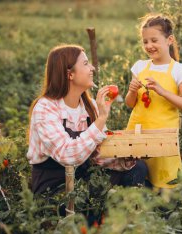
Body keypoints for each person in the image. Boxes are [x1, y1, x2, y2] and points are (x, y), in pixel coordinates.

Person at [27, 44, 147, 195]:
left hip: (84, 178)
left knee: (138, 168)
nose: (92, 68)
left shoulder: (89, 106)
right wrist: (101, 119)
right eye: (85, 64)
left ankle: (118, 215)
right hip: (55, 187)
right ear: (69, 74)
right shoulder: (46, 108)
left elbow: (97, 155)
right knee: (84, 200)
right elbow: (67, 156)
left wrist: (126, 156)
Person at [125, 14, 182, 189]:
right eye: (145, 41)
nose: (149, 46)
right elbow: (130, 104)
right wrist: (132, 91)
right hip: (138, 133)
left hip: (164, 138)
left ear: (169, 40)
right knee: (136, 184)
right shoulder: (140, 66)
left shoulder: (179, 70)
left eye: (154, 40)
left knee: (164, 190)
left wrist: (163, 92)